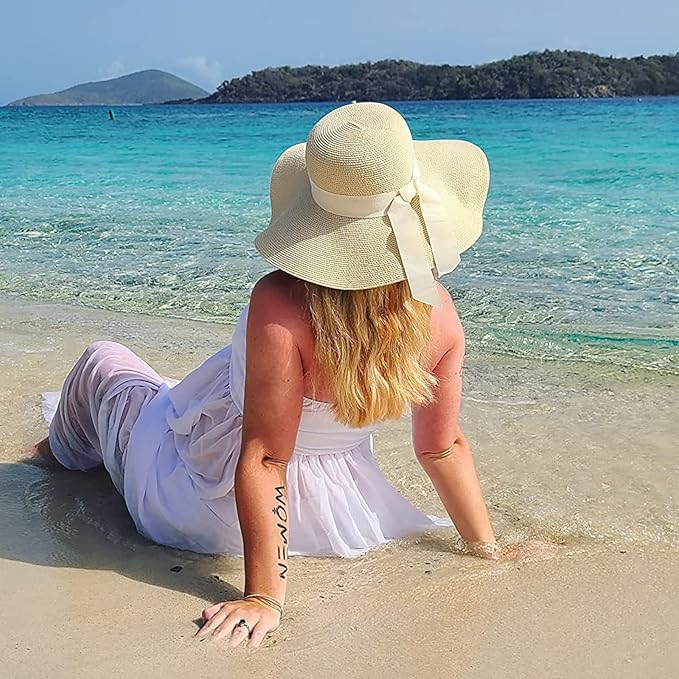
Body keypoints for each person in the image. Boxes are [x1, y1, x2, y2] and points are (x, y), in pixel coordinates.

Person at [38, 102, 501, 648]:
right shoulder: (440, 314)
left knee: (103, 359)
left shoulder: (280, 302)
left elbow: (265, 457)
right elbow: (441, 447)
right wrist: (486, 547)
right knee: (165, 390)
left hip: (207, 504)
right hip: (334, 517)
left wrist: (264, 596)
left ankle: (51, 459)